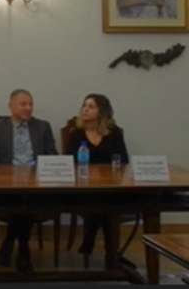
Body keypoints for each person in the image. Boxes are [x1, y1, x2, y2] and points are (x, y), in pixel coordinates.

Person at [0, 88, 58, 272]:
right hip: (7, 184)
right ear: (10, 106)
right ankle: (24, 249)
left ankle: (10, 242)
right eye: (23, 104)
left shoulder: (42, 127)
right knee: (21, 201)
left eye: (30, 104)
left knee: (27, 200)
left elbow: (52, 156)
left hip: (36, 183)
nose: (28, 108)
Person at [66, 93, 130, 263]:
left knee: (105, 201)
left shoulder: (114, 133)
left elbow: (123, 161)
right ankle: (112, 254)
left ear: (101, 112)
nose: (85, 109)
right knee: (103, 204)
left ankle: (90, 241)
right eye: (84, 105)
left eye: (91, 106)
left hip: (110, 187)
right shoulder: (76, 134)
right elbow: (68, 163)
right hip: (83, 187)